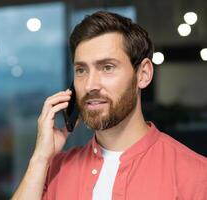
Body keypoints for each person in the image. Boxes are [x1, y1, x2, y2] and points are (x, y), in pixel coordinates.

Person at [12, 11, 207, 200]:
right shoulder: (53, 170)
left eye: (107, 67)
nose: (90, 85)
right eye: (81, 70)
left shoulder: (196, 175)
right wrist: (40, 159)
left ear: (143, 74)